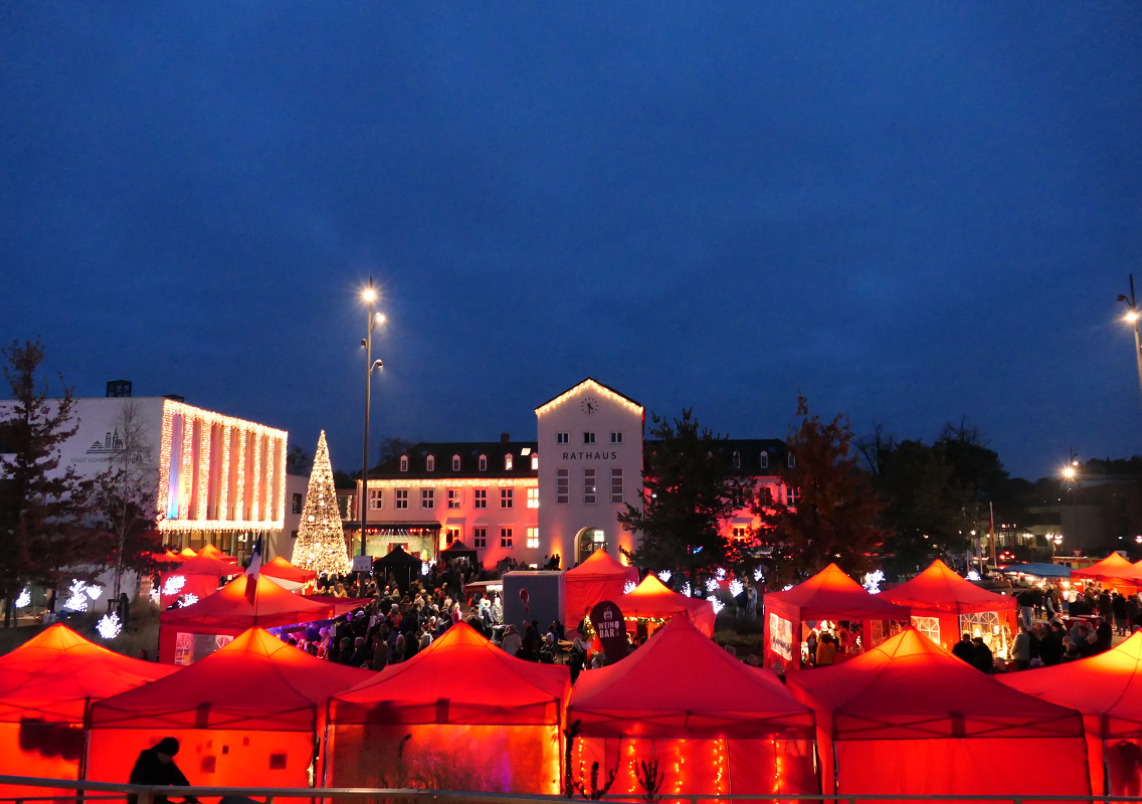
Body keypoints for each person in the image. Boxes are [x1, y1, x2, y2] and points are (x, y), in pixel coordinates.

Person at [128, 738, 197, 804]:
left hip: (149, 799)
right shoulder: (146, 760)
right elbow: (140, 782)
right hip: (141, 799)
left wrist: (190, 796)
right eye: (170, 756)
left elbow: (180, 781)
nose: (170, 759)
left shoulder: (167, 765)